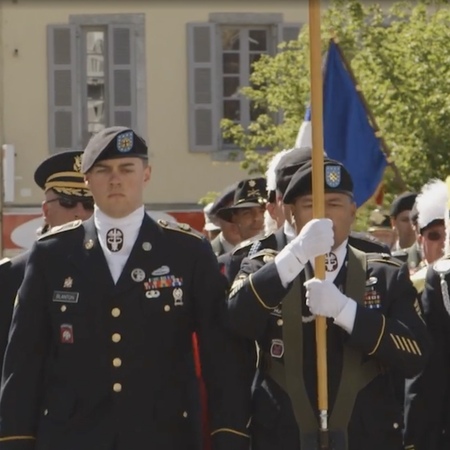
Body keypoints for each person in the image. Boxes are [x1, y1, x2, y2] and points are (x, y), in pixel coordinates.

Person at [0, 127, 250, 450]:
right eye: (103, 170)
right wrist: (15, 440)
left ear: (146, 174)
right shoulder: (52, 253)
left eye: (126, 169)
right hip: (72, 437)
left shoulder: (187, 251)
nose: (115, 180)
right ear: (87, 180)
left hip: (164, 436)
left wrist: (229, 436)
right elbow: (23, 361)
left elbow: (220, 356)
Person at [226, 158, 429, 450]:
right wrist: (294, 257)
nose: (324, 214)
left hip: (365, 437)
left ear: (352, 210)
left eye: (335, 204)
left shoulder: (384, 273)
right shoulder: (264, 266)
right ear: (291, 213)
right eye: (310, 205)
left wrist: (346, 312)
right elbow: (236, 319)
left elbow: (416, 354)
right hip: (284, 436)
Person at [0, 150, 94, 374]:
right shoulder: (11, 276)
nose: (79, 213)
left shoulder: (116, 271)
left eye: (89, 203)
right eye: (68, 201)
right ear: (46, 210)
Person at [216, 177, 267, 242]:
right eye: (247, 213)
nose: (256, 218)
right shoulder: (236, 252)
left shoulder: (283, 251)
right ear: (235, 219)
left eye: (263, 211)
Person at [209, 183, 241, 257]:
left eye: (246, 214)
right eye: (230, 215)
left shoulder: (268, 252)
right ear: (218, 219)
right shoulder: (204, 254)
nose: (238, 222)